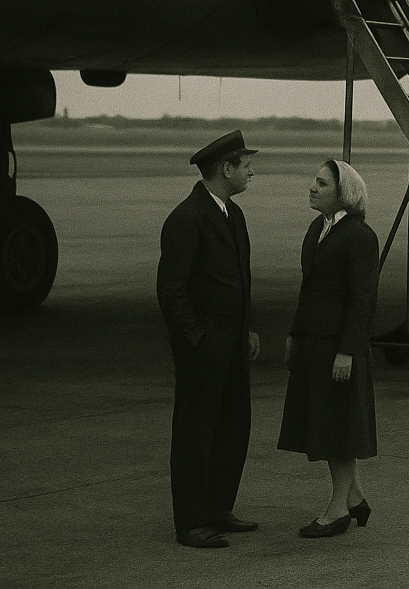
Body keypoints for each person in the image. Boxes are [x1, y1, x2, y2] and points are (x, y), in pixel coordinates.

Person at [156, 130, 261, 549]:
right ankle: (192, 521)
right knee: (195, 432)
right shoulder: (187, 217)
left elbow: (240, 279)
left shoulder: (232, 214)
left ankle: (219, 508)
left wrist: (248, 326)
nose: (252, 170)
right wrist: (198, 337)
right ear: (226, 169)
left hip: (233, 342)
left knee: (234, 426)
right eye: (246, 164)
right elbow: (171, 289)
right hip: (205, 345)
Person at [278, 159, 381, 538]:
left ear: (343, 194)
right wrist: (294, 335)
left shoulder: (358, 236)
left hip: (338, 348)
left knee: (337, 431)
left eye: (321, 183)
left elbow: (362, 300)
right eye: (314, 182)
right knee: (331, 424)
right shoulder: (317, 229)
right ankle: (353, 496)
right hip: (313, 344)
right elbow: (311, 290)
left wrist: (348, 351)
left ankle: (337, 511)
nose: (312, 187)